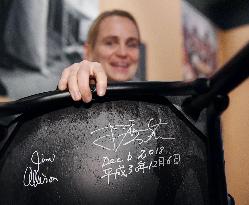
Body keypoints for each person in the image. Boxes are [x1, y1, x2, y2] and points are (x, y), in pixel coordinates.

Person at [58, 9, 141, 103]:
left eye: (132, 44)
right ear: (88, 52)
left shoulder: (154, 100)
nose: (123, 53)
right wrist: (72, 86)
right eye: (110, 43)